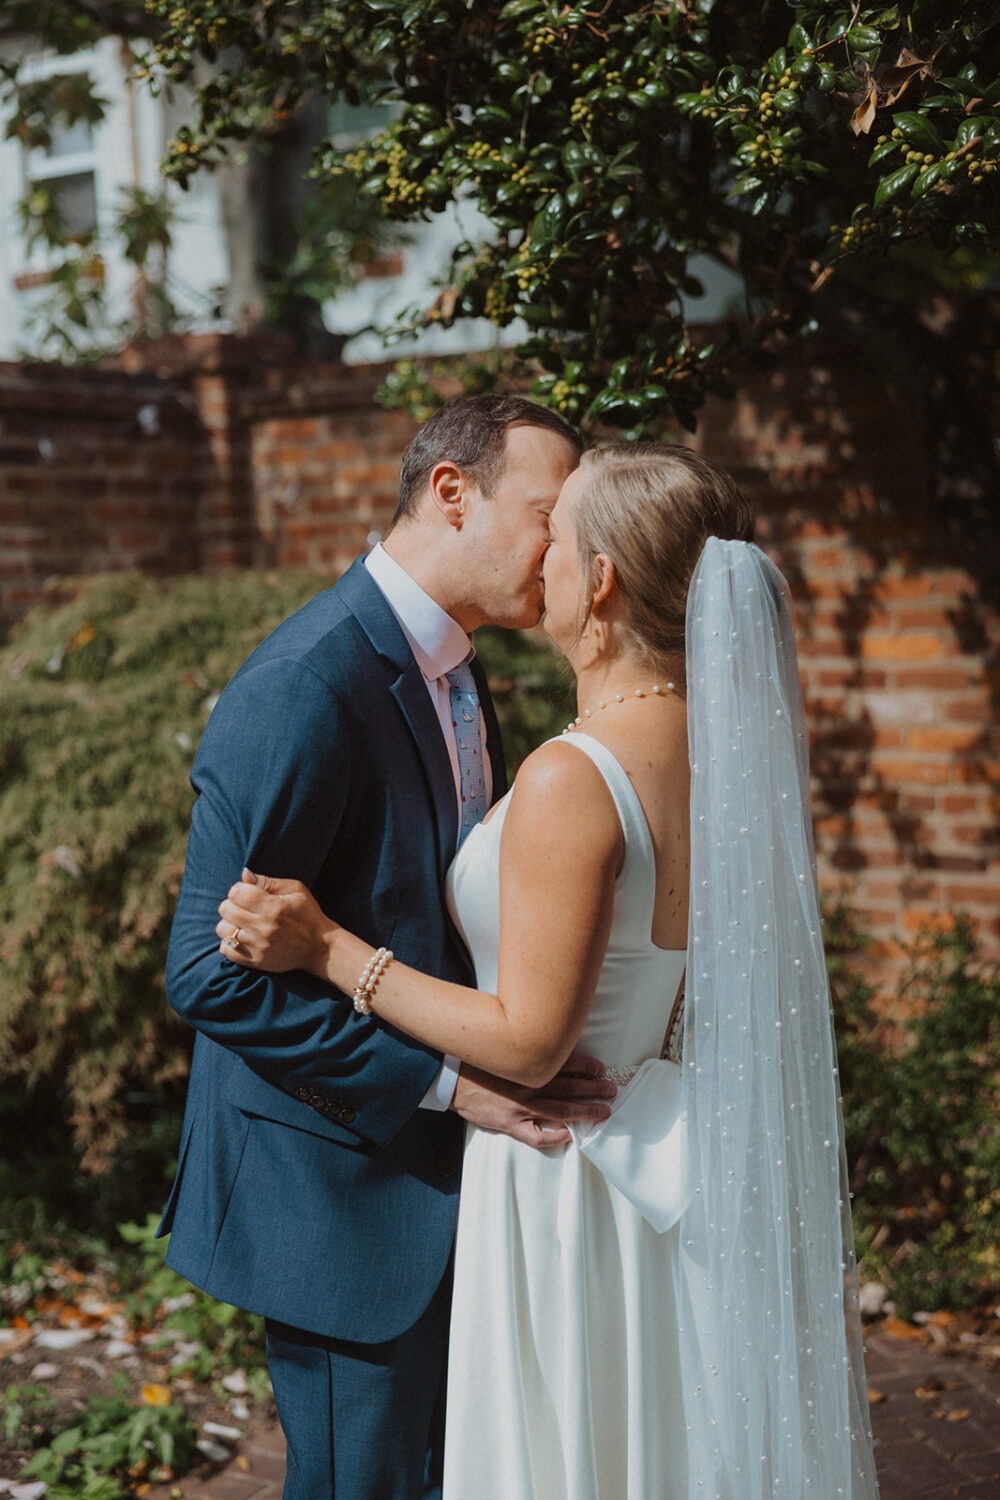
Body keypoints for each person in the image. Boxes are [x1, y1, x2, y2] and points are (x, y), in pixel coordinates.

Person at [218, 443, 881, 1500]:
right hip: (663, 1163)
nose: (541, 562)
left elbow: (531, 1040)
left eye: (557, 539)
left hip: (563, 1173)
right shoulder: (717, 746)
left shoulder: (576, 773)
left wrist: (330, 949)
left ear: (603, 579)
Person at [159, 394, 618, 1500]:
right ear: (451, 494)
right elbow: (205, 971)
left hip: (447, 1189)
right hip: (335, 1199)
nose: (564, 551)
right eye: (547, 516)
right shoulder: (306, 685)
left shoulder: (460, 671)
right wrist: (450, 1087)